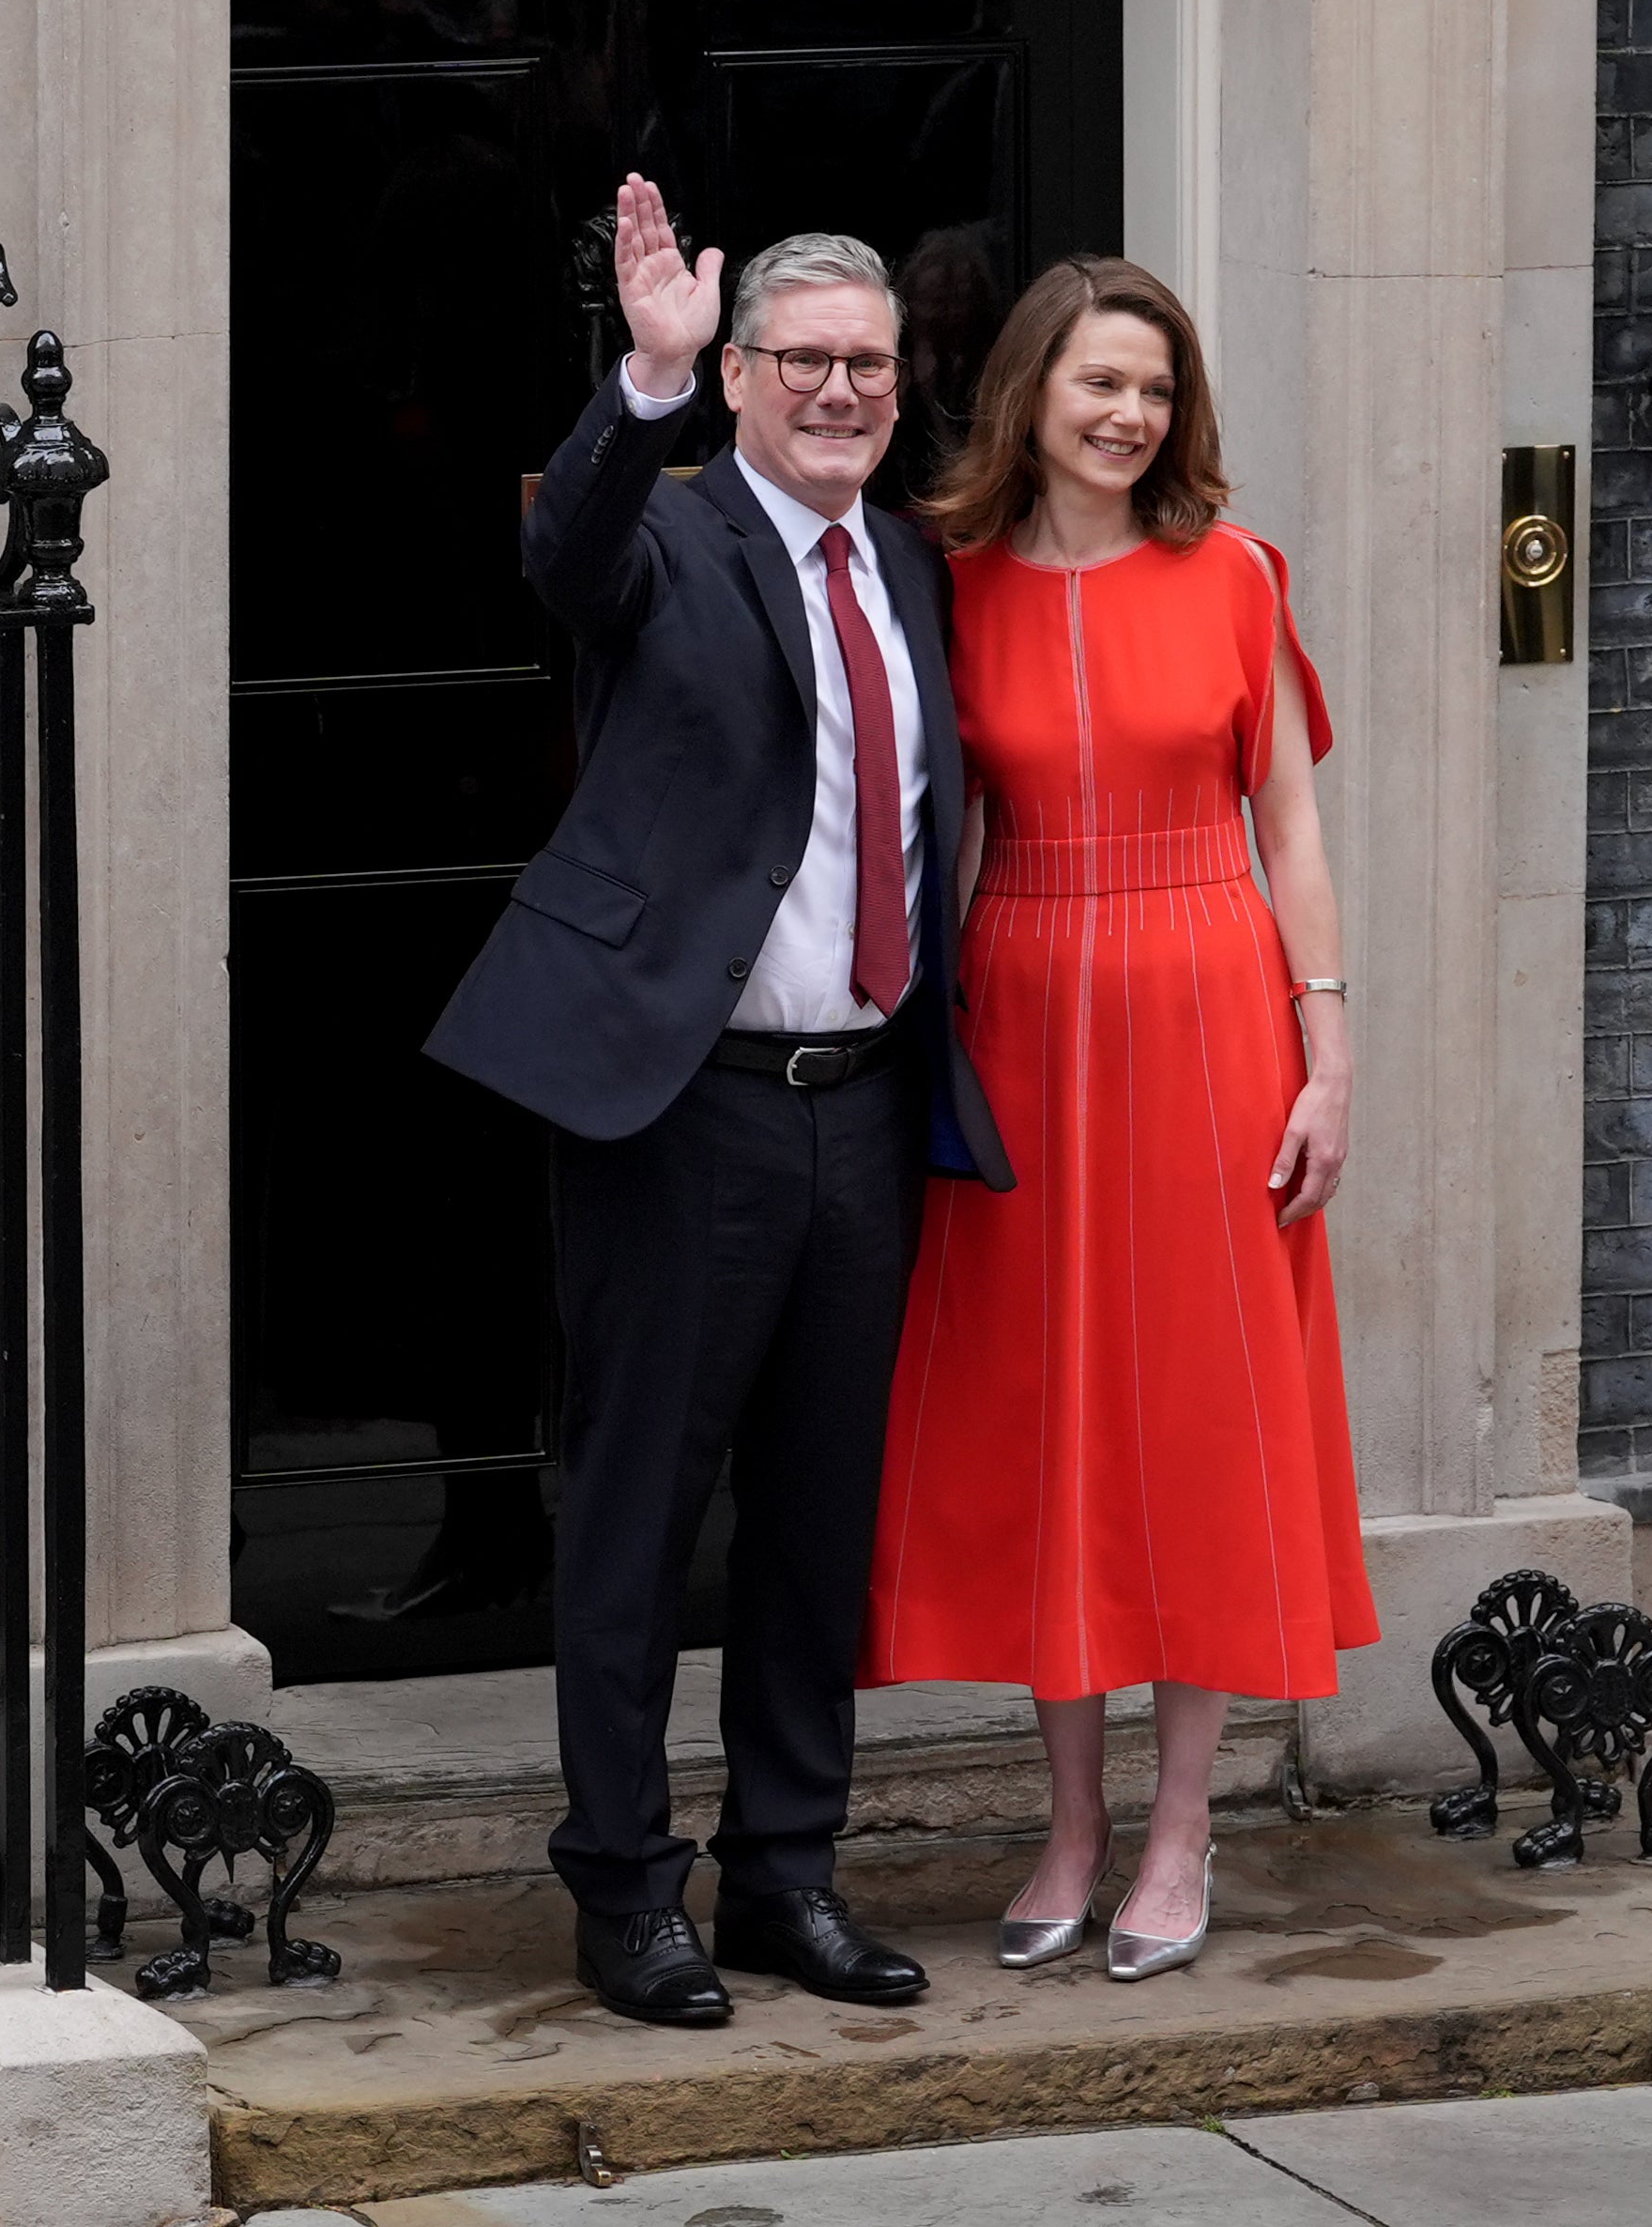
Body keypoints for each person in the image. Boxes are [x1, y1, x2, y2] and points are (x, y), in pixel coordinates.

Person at [427, 177, 1013, 2029]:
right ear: (745, 376)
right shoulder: (665, 532)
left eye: (869, 363)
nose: (841, 391)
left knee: (813, 1519)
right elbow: (562, 557)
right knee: (635, 1509)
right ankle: (624, 1887)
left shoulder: (911, 562)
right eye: (803, 362)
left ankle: (784, 1872)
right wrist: (645, 374)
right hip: (683, 1105)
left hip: (863, 1100)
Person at [860, 253, 1380, 1981]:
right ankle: (1068, 1823)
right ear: (1030, 393)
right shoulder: (947, 582)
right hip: (1021, 1006)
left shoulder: (1236, 573)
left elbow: (1289, 828)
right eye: (1099, 382)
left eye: (1154, 388)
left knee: (1197, 1415)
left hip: (1209, 1005)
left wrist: (1329, 1049)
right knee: (1052, 1417)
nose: (1128, 414)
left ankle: (1180, 1829)